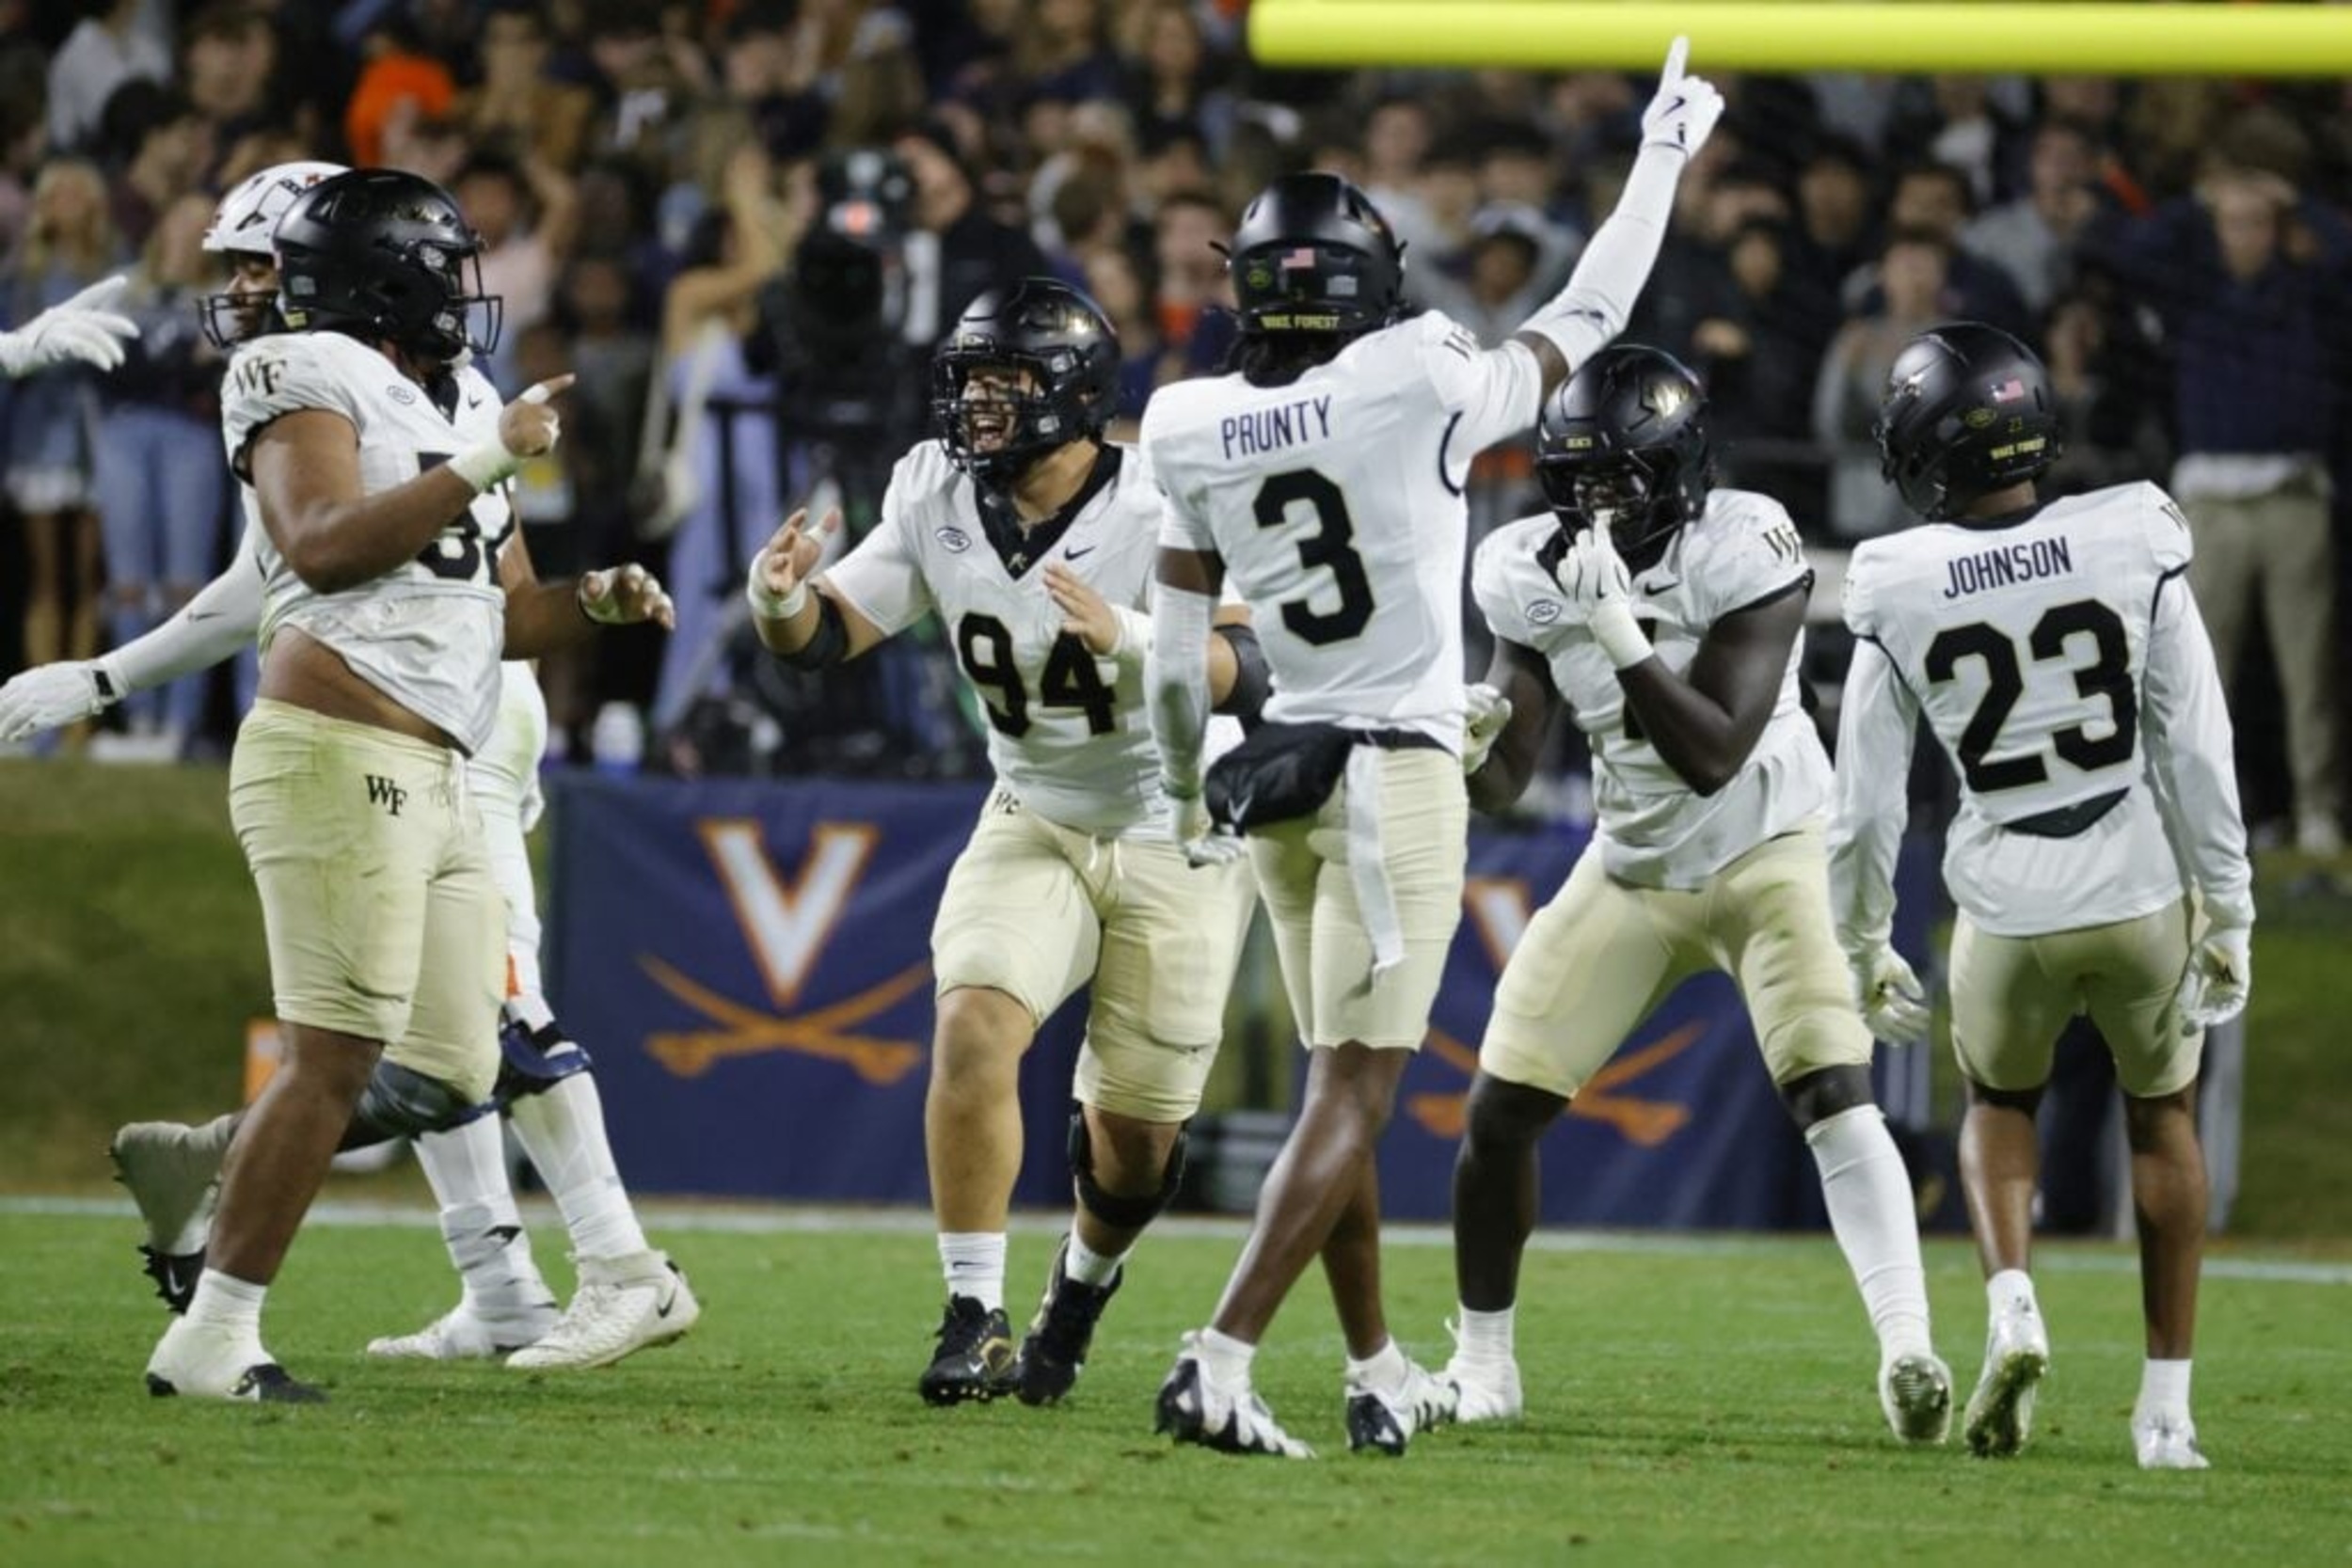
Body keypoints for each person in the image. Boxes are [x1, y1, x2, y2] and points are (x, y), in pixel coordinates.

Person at [0, 161, 701, 1373]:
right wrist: (486, 463)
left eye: (260, 264)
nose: (461, 294)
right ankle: (222, 1333)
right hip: (341, 745)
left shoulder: (458, 393)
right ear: (381, 277)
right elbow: (313, 552)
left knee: (453, 1063)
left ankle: (238, 1163)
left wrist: (595, 597)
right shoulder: (293, 371)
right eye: (439, 272)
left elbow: (502, 606)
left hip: (454, 748)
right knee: (348, 1055)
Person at [1141, 39, 1724, 1460]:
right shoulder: (1418, 373)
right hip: (1394, 772)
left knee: (1330, 1091)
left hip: (1275, 770)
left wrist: (1185, 792)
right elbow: (1590, 309)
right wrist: (1661, 152)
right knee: (1356, 1093)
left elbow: (1172, 657)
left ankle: (1376, 1365)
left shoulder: (1185, 420)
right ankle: (1219, 1357)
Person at [746, 277, 1267, 1407]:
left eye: (1008, 382)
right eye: (972, 380)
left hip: (1178, 822)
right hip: (1034, 807)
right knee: (975, 1016)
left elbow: (1252, 669)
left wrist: (1136, 637)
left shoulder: (1163, 498)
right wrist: (780, 602)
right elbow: (832, 631)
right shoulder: (932, 487)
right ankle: (972, 1313)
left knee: (1134, 1142)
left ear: (1076, 396)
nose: (980, 404)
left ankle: (1078, 1289)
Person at [1448, 345, 1951, 1445]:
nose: (1596, 503)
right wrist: (1466, 745)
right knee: (1497, 1112)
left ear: (1676, 469)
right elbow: (1508, 776)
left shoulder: (1746, 540)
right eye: (1576, 478)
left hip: (1772, 849)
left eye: (1618, 477)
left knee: (1832, 1091)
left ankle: (1907, 1346)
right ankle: (1482, 1363)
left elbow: (1713, 750)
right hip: (1632, 867)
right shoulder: (1522, 564)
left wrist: (1617, 631)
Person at [1827, 322, 2254, 1469]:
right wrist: (2228, 900)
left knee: (1996, 1103)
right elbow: (2196, 741)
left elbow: (1862, 802)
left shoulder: (1896, 576)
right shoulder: (2130, 529)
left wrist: (1861, 937)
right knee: (2161, 1116)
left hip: (2004, 900)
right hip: (2136, 883)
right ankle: (2164, 1411)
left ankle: (2012, 1299)